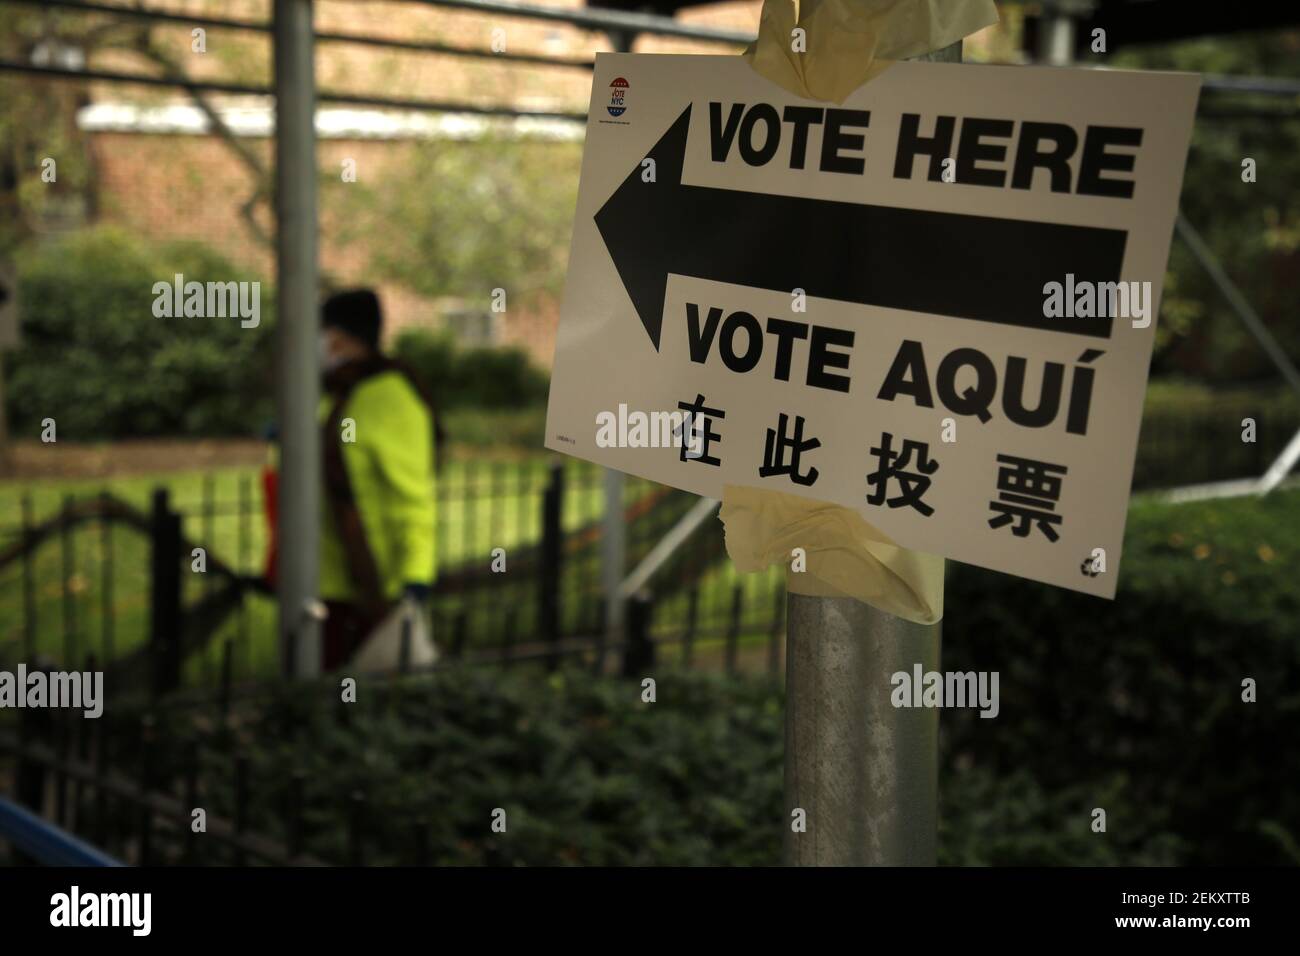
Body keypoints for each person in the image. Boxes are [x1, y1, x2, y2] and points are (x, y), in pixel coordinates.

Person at [316, 289, 438, 670]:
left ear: (337, 338)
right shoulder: (334, 397)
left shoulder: (388, 399)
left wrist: (415, 579)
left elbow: (413, 496)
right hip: (322, 584)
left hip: (369, 590)